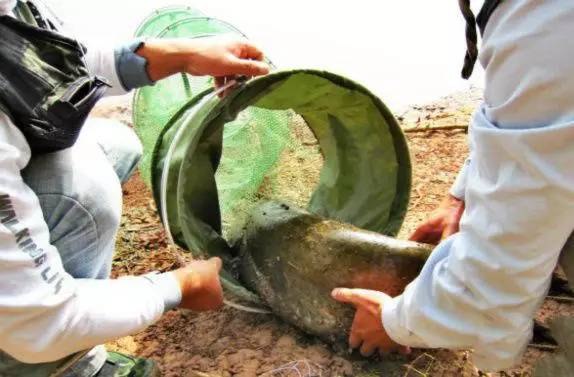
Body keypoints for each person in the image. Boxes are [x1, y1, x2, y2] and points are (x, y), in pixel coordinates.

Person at [0, 0, 269, 376]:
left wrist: (184, 55)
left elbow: (46, 62)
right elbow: (39, 322)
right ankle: (56, 367)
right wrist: (182, 285)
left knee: (116, 147)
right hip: (33, 326)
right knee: (86, 198)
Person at [333, 0, 574, 373]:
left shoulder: (544, 17)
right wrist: (459, 197)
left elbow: (512, 243)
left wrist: (397, 321)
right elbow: (526, 114)